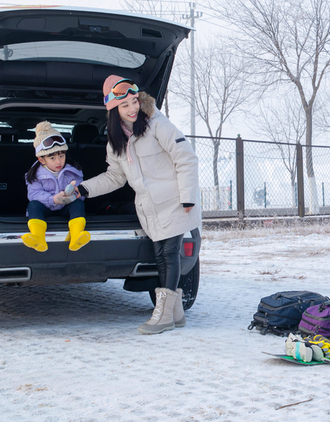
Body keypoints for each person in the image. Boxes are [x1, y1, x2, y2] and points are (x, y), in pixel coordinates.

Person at [76, 75, 201, 335]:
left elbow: (186, 158)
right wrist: (85, 188)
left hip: (176, 201)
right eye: (125, 105)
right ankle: (176, 314)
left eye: (134, 101)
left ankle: (164, 315)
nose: (133, 108)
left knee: (169, 253)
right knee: (160, 255)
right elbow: (115, 177)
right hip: (149, 208)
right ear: (113, 111)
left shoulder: (157, 124)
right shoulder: (116, 141)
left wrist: (187, 196)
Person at [22, 121, 91, 253]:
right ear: (42, 160)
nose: (59, 161)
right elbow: (33, 195)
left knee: (78, 204)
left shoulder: (73, 171)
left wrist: (71, 195)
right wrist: (53, 199)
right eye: (52, 158)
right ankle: (38, 237)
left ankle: (76, 235)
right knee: (33, 205)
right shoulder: (35, 174)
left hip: (66, 208)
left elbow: (80, 193)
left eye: (61, 155)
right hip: (46, 209)